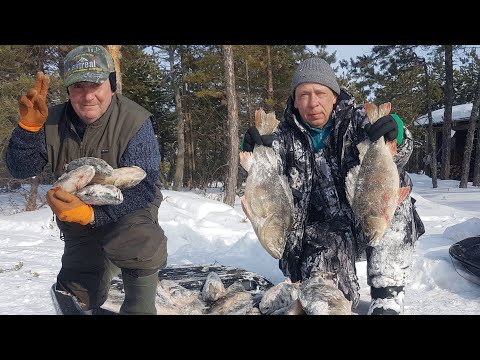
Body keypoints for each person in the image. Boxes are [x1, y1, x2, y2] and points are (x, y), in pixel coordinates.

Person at [242, 57, 424, 315]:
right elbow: (262, 184)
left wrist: (400, 134)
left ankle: (388, 295)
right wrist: (253, 150)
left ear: (335, 96)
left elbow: (398, 158)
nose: (312, 102)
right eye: (304, 94)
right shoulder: (280, 136)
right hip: (320, 233)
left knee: (394, 199)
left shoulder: (359, 122)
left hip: (363, 215)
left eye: (320, 93)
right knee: (329, 304)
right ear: (294, 100)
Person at [6, 45, 167, 315]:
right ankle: (101, 269)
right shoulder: (52, 120)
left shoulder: (134, 120)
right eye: (78, 86)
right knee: (74, 294)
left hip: (128, 220)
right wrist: (28, 130)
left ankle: (139, 305)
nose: (88, 96)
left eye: (96, 85)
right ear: (68, 90)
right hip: (79, 231)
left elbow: (146, 188)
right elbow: (20, 168)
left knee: (140, 240)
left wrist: (92, 215)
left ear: (111, 85)